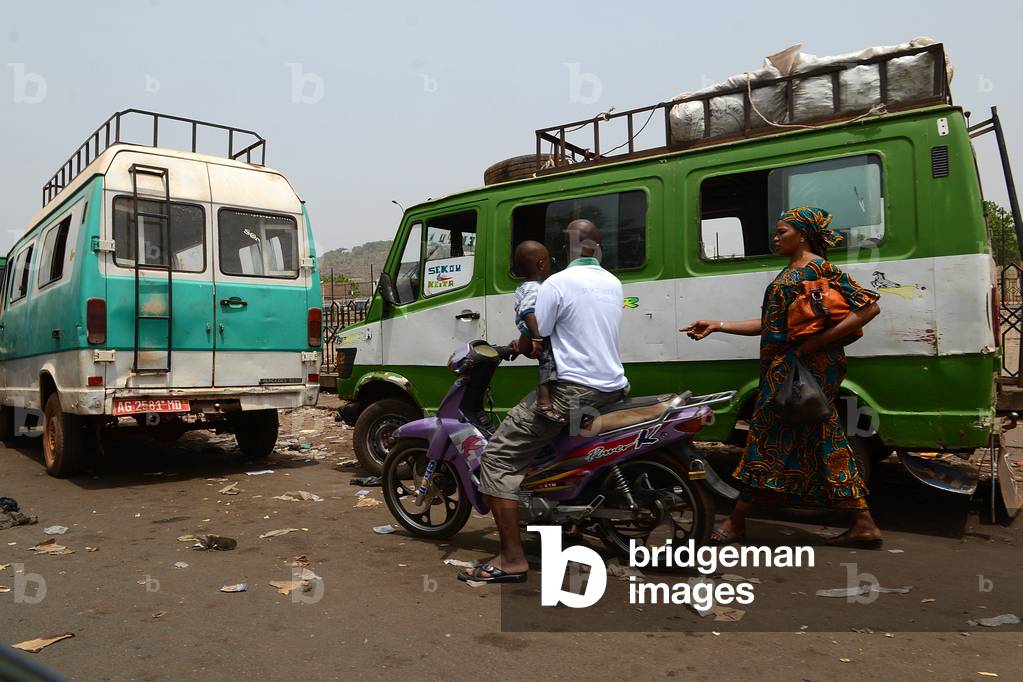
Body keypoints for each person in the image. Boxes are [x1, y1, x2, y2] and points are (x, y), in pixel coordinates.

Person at [681, 206, 884, 549]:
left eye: (782, 232)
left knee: (767, 440)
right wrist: (718, 325)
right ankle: (863, 522)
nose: (775, 238)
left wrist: (814, 345)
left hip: (802, 370)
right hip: (788, 367)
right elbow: (771, 325)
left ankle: (736, 521)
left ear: (803, 235)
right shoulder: (791, 272)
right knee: (824, 440)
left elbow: (868, 308)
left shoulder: (819, 268)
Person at [458, 219, 628, 583]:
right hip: (611, 386)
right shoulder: (613, 283)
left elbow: (539, 338)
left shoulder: (557, 284)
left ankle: (512, 559)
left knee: (498, 457)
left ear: (568, 249)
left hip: (572, 390)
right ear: (598, 248)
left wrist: (516, 346)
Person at [510, 240, 561, 422]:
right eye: (549, 261)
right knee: (547, 363)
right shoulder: (535, 288)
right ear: (541, 264)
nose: (550, 265)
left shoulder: (524, 286)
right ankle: (544, 402)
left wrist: (524, 343)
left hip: (528, 332)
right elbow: (528, 312)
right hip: (537, 332)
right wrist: (538, 339)